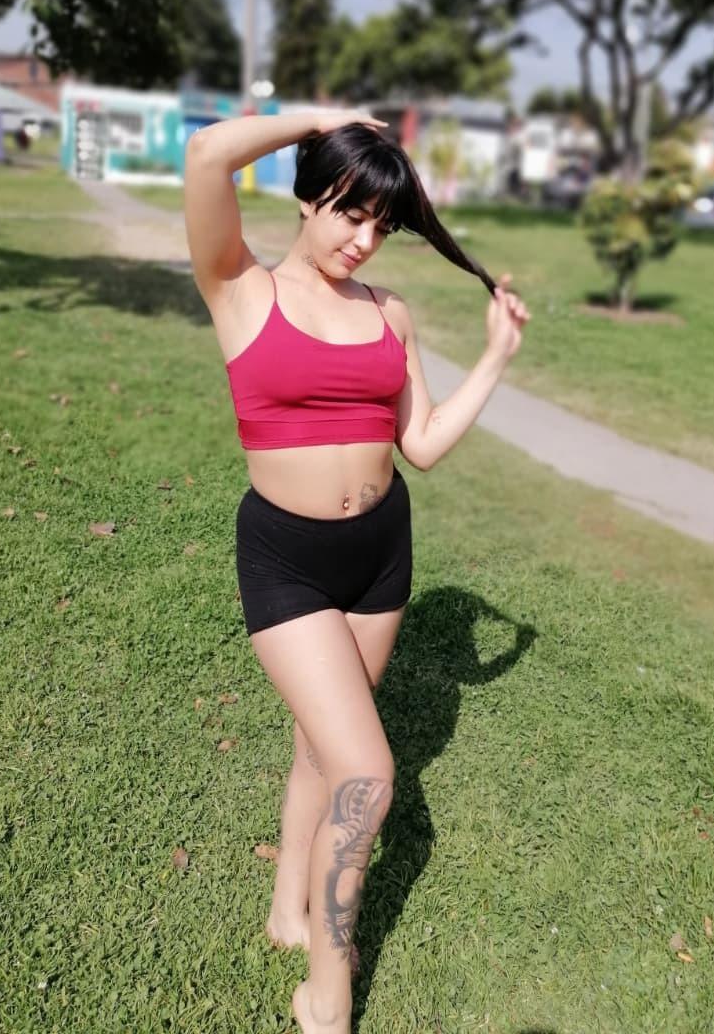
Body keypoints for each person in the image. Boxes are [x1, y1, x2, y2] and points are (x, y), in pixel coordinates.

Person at [183, 107, 529, 1033]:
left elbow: (423, 443)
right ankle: (327, 997)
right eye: (347, 211)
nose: (363, 239)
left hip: (379, 555)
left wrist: (495, 358)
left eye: (382, 224)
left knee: (321, 749)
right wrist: (321, 119)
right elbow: (206, 153)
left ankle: (289, 910)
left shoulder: (389, 314)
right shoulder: (240, 288)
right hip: (287, 560)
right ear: (307, 199)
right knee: (368, 773)